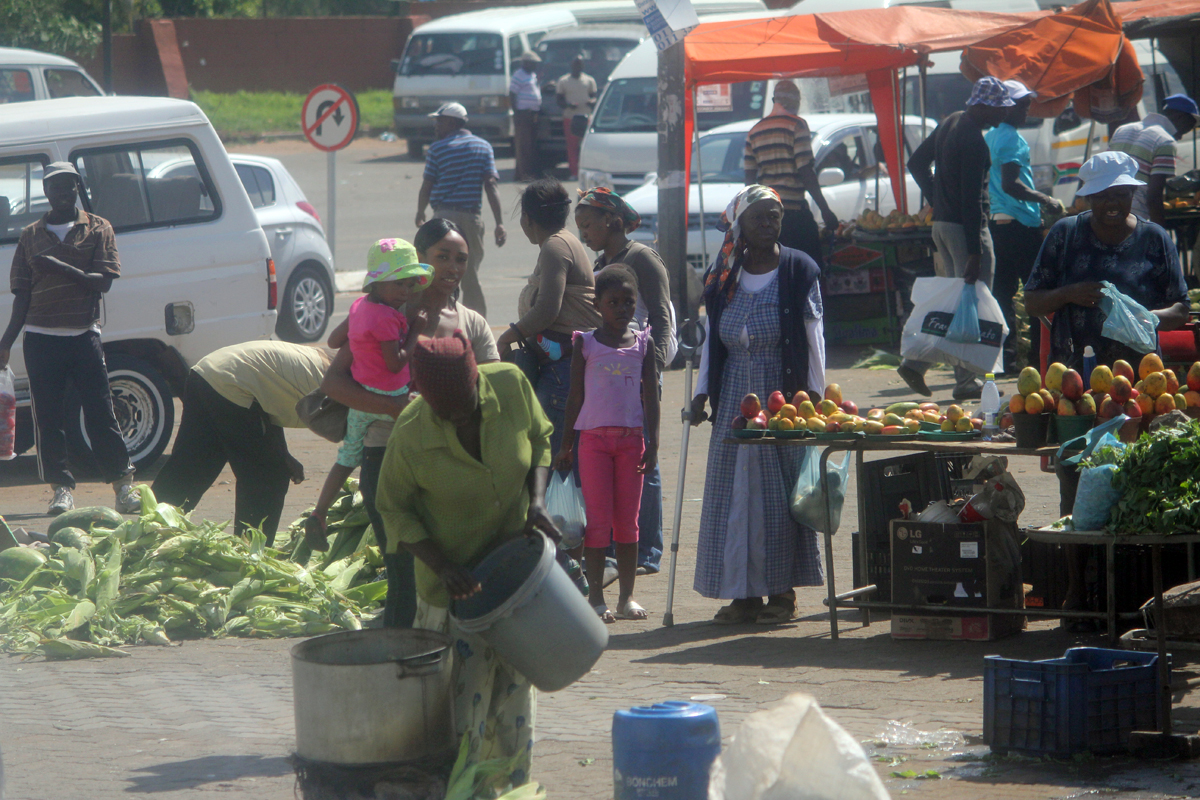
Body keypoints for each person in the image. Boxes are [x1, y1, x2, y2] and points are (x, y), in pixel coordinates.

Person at [375, 333, 558, 789]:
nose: (459, 417)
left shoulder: (511, 386)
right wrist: (441, 565)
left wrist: (536, 502)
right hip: (456, 595)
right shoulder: (413, 432)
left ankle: (512, 792)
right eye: (447, 413)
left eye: (466, 406)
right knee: (461, 722)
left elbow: (541, 439)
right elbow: (392, 506)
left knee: (515, 710)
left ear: (477, 381)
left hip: (516, 583)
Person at [1024, 151, 1189, 626]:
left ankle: (1144, 598)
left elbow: (1181, 308)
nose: (1112, 204)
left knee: (1142, 486)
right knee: (1077, 485)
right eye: (1103, 196)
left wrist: (1140, 317)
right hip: (1077, 389)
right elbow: (1033, 300)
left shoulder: (1155, 240)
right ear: (1089, 197)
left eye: (1121, 194)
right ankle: (1079, 595)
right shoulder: (1065, 236)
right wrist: (1069, 293)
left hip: (1143, 387)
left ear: (1132, 193)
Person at [318, 220, 499, 628]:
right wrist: (395, 408)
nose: (452, 267)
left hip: (448, 465)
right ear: (418, 260)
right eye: (442, 257)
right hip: (387, 459)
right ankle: (395, 669)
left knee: (446, 576)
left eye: (461, 260)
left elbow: (493, 395)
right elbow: (333, 383)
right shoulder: (384, 313)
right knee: (403, 576)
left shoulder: (471, 323)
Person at [688, 185, 827, 625]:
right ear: (740, 225)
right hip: (733, 397)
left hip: (781, 398)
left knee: (778, 496)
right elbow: (712, 339)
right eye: (759, 218)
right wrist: (700, 394)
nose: (768, 226)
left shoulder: (798, 269)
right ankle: (742, 593)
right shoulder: (724, 272)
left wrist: (815, 400)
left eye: (774, 217)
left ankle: (782, 594)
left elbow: (814, 340)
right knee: (735, 496)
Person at [0, 161, 138, 515]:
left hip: (83, 336)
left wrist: (59, 266)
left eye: (69, 186)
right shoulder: (31, 235)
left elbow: (103, 282)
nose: (62, 193)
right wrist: (5, 343)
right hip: (41, 339)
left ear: (77, 188)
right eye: (55, 187)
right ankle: (61, 490)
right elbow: (22, 296)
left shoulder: (98, 228)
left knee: (101, 413)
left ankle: (123, 485)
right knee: (49, 419)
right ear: (45, 192)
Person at [305, 238, 432, 558]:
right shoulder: (387, 318)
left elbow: (335, 340)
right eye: (398, 284)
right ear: (379, 284)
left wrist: (361, 337)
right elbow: (396, 362)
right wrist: (417, 329)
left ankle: (319, 512)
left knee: (347, 459)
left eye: (408, 284)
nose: (405, 292)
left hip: (360, 402)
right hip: (390, 398)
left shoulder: (360, 308)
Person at [574, 187, 672, 574]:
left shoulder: (642, 258)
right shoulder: (603, 263)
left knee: (644, 463)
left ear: (611, 220)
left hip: (639, 372)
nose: (584, 233)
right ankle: (621, 545)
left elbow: (662, 318)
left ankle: (646, 550)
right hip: (609, 378)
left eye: (588, 225)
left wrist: (654, 368)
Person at [555, 266, 659, 621]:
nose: (622, 309)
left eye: (628, 302)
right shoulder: (586, 343)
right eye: (613, 302)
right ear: (597, 303)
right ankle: (596, 598)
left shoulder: (644, 342)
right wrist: (566, 444)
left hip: (632, 443)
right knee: (597, 523)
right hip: (594, 444)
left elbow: (651, 397)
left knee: (628, 523)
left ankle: (627, 597)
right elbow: (575, 396)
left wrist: (654, 442)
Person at [151, 341, 332, 545]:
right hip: (232, 382)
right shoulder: (345, 387)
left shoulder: (326, 369)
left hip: (207, 372)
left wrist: (283, 453)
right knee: (268, 476)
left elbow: (268, 404)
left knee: (194, 464)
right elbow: (353, 451)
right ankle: (250, 553)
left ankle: (148, 532)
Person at [899, 76, 1011, 400]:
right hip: (965, 230)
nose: (1002, 115)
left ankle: (915, 364)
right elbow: (973, 202)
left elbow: (916, 162)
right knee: (971, 306)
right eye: (998, 109)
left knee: (955, 304)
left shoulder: (950, 122)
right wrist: (975, 252)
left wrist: (937, 198)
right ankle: (966, 382)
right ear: (982, 105)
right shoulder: (973, 139)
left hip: (943, 226)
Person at [496, 178, 601, 456]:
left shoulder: (555, 247)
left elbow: (547, 309)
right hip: (563, 366)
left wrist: (508, 337)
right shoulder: (563, 242)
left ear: (528, 219)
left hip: (562, 371)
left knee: (554, 460)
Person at [985, 79, 1066, 374]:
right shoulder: (1011, 139)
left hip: (999, 226)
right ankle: (1037, 359)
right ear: (1005, 108)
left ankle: (1005, 361)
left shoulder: (991, 136)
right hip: (1021, 225)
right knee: (1037, 294)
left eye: (1027, 103)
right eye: (1020, 105)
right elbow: (1011, 184)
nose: (1026, 109)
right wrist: (1046, 199)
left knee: (1002, 295)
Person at [415, 102, 507, 316]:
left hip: (443, 219)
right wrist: (499, 222)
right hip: (471, 219)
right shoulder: (483, 146)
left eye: (440, 121)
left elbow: (427, 184)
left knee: (439, 272)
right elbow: (491, 185)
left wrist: (420, 211)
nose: (436, 126)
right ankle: (476, 323)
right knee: (469, 274)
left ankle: (441, 317)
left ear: (452, 122)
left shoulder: (437, 149)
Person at [742, 80, 839, 268]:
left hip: (767, 216)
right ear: (795, 101)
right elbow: (805, 170)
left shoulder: (755, 131)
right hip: (794, 215)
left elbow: (749, 180)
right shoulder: (797, 125)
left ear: (774, 100)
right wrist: (826, 211)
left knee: (776, 271)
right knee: (808, 269)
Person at [1107, 93, 1200, 227]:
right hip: (1132, 218)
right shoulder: (1165, 141)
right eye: (1188, 127)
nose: (1181, 136)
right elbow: (1154, 196)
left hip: (1105, 213)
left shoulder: (1122, 130)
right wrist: (1160, 235)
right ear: (1181, 117)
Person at [556, 56, 597, 180]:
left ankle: (589, 172)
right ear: (571, 66)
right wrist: (568, 105)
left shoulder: (589, 80)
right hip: (570, 117)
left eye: (580, 64)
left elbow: (594, 96)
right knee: (572, 146)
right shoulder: (563, 81)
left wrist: (591, 101)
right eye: (575, 64)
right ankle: (574, 172)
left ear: (583, 66)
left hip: (586, 117)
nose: (577, 67)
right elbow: (559, 100)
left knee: (587, 146)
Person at [510, 51, 543, 182]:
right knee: (523, 146)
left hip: (532, 114)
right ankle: (524, 175)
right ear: (526, 63)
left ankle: (525, 173)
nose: (535, 66)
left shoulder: (532, 75)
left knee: (530, 145)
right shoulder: (518, 75)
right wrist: (516, 113)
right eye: (533, 63)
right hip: (523, 114)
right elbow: (512, 94)